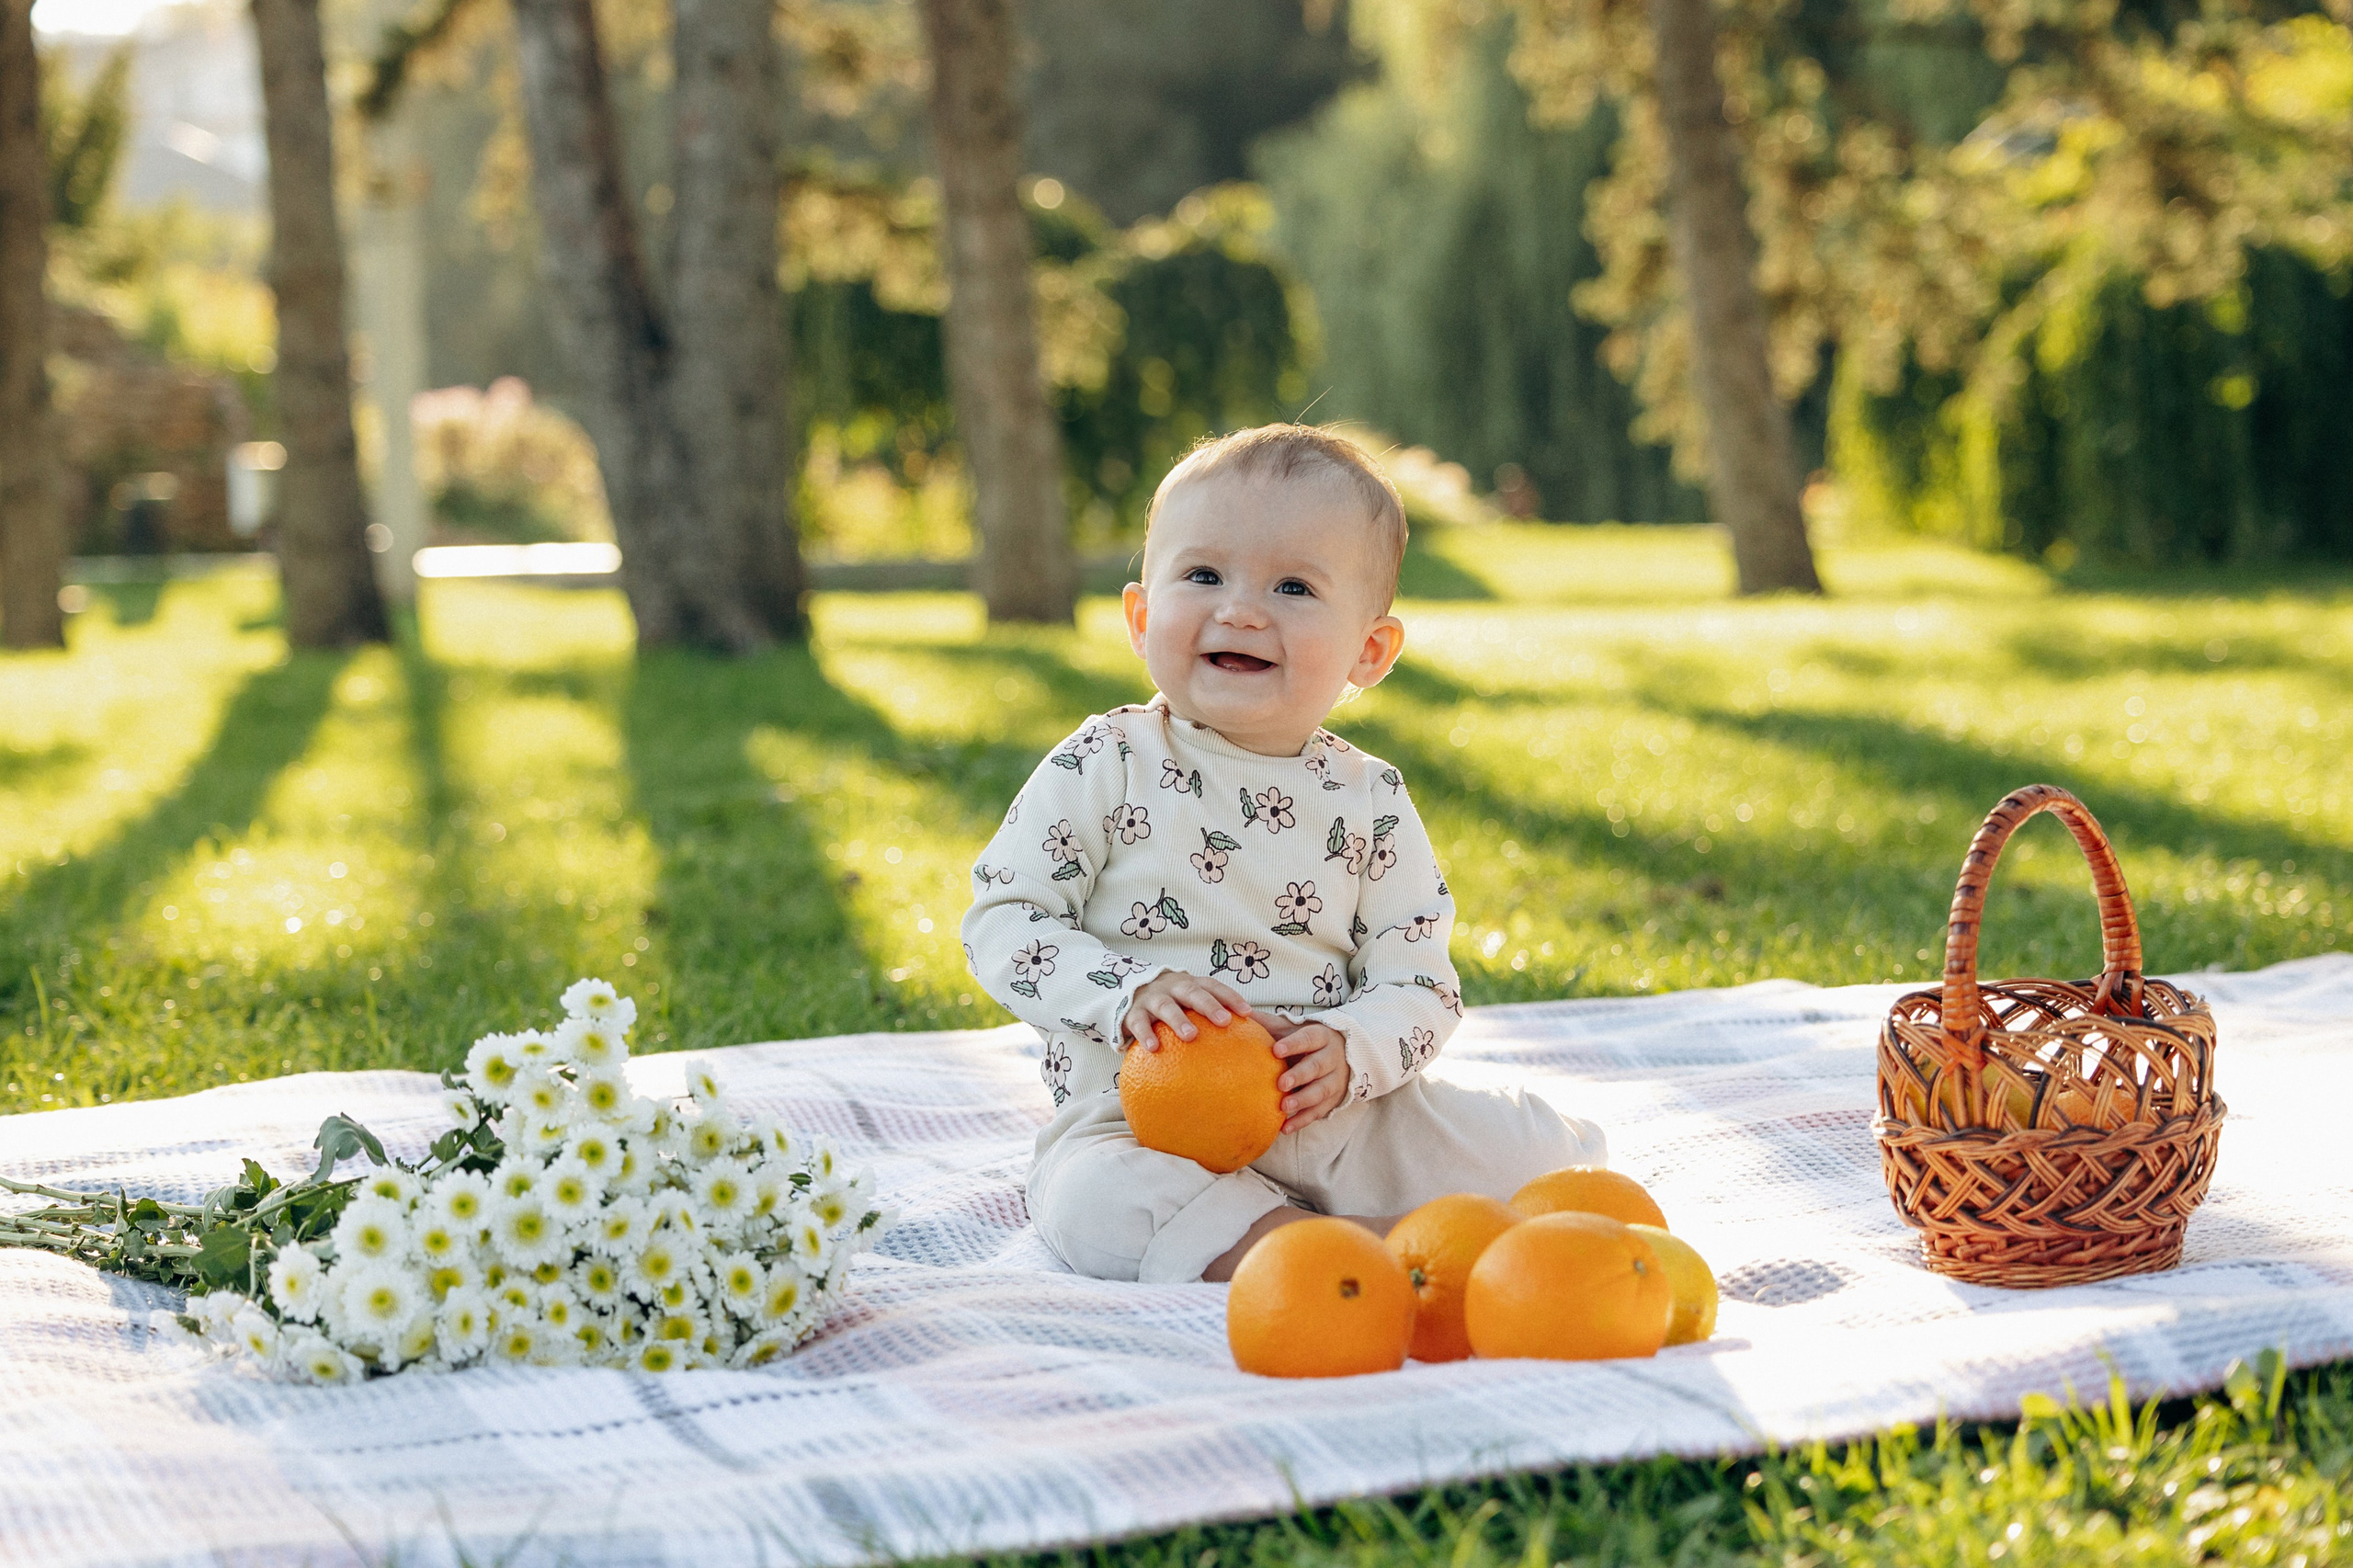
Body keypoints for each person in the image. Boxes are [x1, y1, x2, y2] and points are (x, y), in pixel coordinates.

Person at [961, 425, 1603, 1284]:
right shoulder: (1103, 762)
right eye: (1203, 575)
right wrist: (1128, 994)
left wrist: (1351, 1051)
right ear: (1141, 615)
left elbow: (1420, 980)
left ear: (1368, 653)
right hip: (1141, 1114)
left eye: (1294, 586)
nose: (1241, 610)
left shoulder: (1370, 799)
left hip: (1329, 1112)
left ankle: (1359, 1219)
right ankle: (1327, 1247)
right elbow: (1005, 918)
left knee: (1534, 1149)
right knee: (1093, 1203)